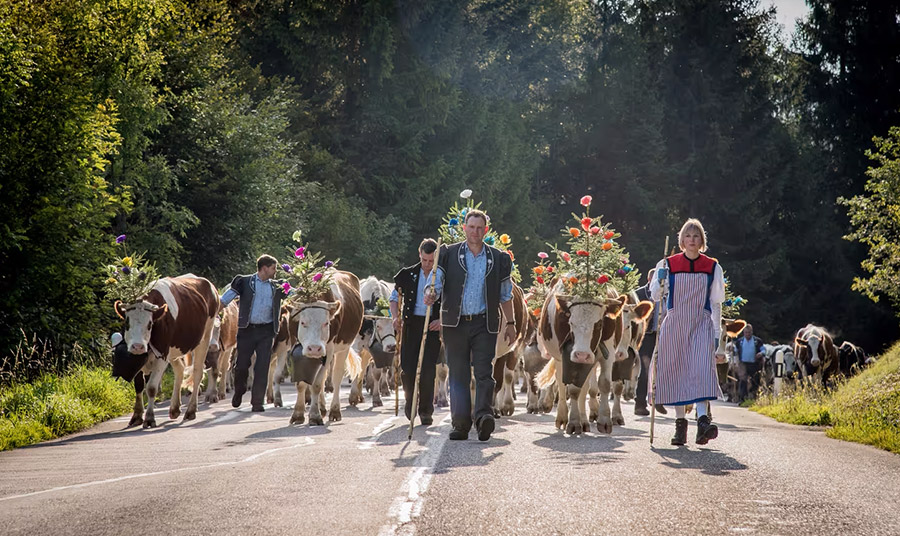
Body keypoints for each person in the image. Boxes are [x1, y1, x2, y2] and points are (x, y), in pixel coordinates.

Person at [425, 209, 516, 441]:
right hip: (455, 324)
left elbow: (506, 294)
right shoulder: (448, 254)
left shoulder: (498, 258)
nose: (475, 231)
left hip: (484, 323)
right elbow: (435, 281)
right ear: (465, 228)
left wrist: (511, 323)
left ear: (485, 230)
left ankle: (484, 416)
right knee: (459, 374)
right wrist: (430, 293)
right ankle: (461, 424)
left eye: (479, 227)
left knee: (485, 372)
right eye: (471, 227)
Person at [649, 218, 726, 446]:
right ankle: (680, 426)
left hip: (701, 324)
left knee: (702, 370)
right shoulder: (667, 264)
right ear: (681, 240)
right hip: (675, 325)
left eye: (696, 236)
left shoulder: (712, 267)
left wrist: (716, 333)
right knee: (676, 373)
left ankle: (703, 420)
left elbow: (716, 303)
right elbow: (655, 296)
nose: (692, 240)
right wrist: (660, 283)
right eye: (688, 236)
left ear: (702, 240)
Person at [220, 254, 286, 412]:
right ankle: (239, 390)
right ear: (264, 268)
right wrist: (215, 311)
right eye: (273, 268)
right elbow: (225, 299)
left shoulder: (277, 286)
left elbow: (295, 293)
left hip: (267, 331)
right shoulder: (244, 281)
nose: (275, 271)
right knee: (242, 365)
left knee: (262, 367)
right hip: (247, 330)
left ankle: (257, 402)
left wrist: (310, 290)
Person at [389, 238, 443, 426]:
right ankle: (410, 402)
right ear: (419, 255)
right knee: (408, 368)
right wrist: (396, 317)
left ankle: (426, 410)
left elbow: (451, 301)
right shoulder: (407, 274)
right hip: (411, 324)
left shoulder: (441, 276)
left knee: (428, 370)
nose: (427, 265)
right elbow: (394, 298)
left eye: (431, 261)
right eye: (425, 260)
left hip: (431, 326)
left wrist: (441, 321)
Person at [633, 268, 667, 417]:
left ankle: (657, 399)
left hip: (663, 335)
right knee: (645, 368)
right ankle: (640, 403)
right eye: (655, 281)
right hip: (646, 335)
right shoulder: (639, 294)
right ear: (649, 280)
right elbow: (633, 316)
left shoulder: (667, 293)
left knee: (661, 367)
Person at [733, 323, 765, 402]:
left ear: (752, 332)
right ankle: (742, 398)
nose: (747, 334)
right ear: (743, 333)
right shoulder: (739, 341)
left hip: (754, 364)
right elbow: (735, 352)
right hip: (743, 364)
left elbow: (763, 350)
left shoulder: (757, 341)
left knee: (755, 380)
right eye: (746, 332)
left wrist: (761, 353)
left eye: (749, 332)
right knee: (743, 381)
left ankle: (754, 397)